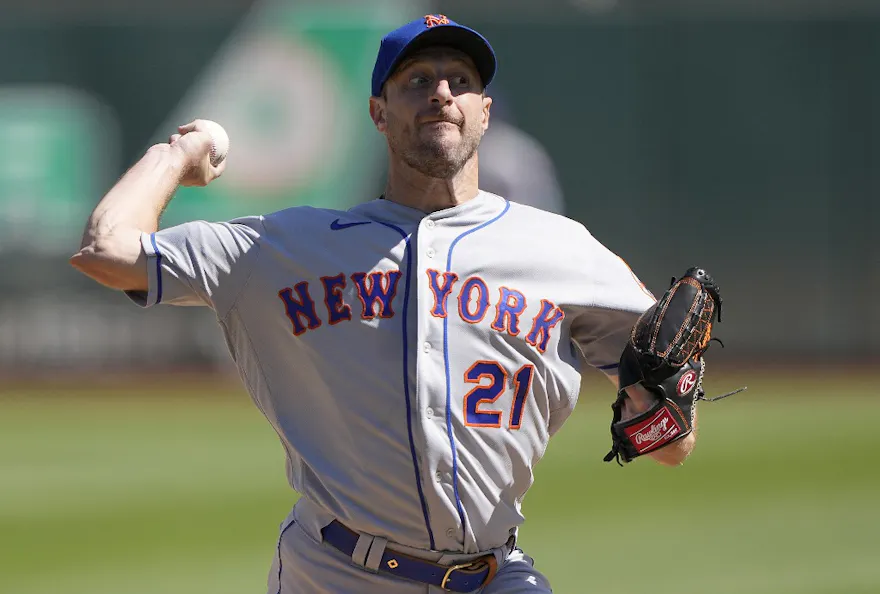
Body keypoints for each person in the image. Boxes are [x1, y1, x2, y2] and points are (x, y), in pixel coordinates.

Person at [70, 15, 696, 594]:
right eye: (417, 80)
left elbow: (671, 447)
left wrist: (660, 405)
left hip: (493, 573)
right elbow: (109, 250)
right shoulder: (287, 245)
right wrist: (175, 156)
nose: (441, 92)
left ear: (485, 111)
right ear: (378, 111)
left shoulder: (563, 250)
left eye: (460, 80)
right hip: (336, 571)